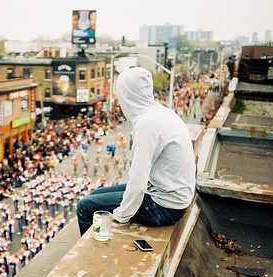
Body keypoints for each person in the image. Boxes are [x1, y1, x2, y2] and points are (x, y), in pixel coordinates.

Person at [76, 67, 196, 235]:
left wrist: (121, 215)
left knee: (85, 206)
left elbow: (138, 181)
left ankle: (89, 253)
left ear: (127, 95)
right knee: (95, 194)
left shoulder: (146, 124)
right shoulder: (160, 112)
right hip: (173, 198)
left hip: (164, 207)